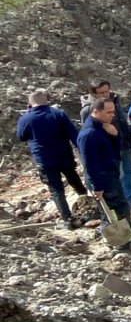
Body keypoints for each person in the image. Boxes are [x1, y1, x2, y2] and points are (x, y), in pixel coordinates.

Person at [17, 91, 88, 229]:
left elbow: (21, 136)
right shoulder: (58, 114)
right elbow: (73, 134)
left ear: (30, 104)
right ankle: (85, 200)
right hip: (64, 155)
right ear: (46, 101)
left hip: (43, 159)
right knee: (73, 177)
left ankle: (67, 219)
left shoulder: (25, 118)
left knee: (56, 189)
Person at [78, 98, 131, 244]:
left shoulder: (105, 127)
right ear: (96, 111)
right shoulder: (89, 134)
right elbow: (89, 163)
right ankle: (120, 242)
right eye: (108, 112)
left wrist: (116, 135)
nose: (112, 115)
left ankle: (124, 239)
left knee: (120, 208)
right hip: (102, 179)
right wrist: (97, 186)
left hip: (111, 175)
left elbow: (116, 150)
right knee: (113, 213)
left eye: (113, 112)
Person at [79, 79, 131, 207]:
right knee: (119, 174)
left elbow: (122, 118)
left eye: (107, 91)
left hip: (125, 142)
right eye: (101, 93)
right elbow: (89, 130)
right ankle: (124, 201)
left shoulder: (115, 100)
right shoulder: (89, 109)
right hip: (111, 146)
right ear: (94, 94)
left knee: (130, 170)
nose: (105, 95)